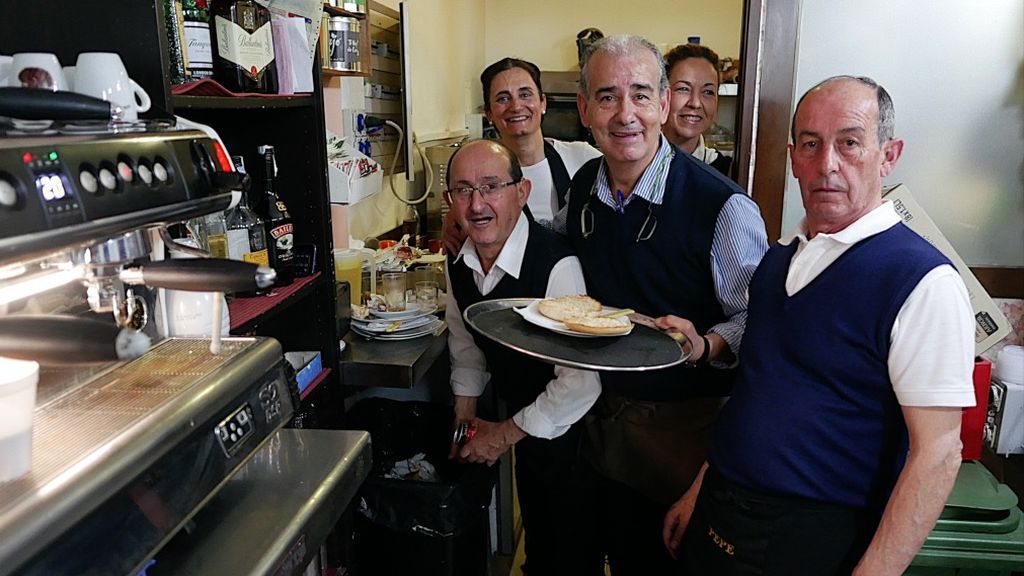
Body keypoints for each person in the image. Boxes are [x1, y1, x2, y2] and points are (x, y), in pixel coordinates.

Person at [663, 76, 975, 576]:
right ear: (792, 158)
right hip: (722, 515)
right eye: (811, 144)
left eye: (849, 143)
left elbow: (939, 452)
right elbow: (756, 393)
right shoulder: (779, 259)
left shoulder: (923, 281)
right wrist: (701, 490)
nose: (827, 164)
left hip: (815, 539)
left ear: (888, 155)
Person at [555, 35, 769, 574]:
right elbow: (554, 246)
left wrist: (708, 343)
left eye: (641, 95)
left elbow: (759, 324)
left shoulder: (722, 206)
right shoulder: (584, 187)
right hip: (602, 429)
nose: (625, 114)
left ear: (664, 105)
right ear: (584, 110)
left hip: (686, 443)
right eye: (607, 97)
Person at [444, 139, 604, 576]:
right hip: (527, 430)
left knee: (571, 553)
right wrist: (465, 416)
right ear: (449, 202)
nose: (477, 204)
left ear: (522, 191)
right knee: (539, 545)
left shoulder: (556, 264)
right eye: (463, 190)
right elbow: (465, 345)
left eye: (492, 186)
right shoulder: (458, 263)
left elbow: (581, 383)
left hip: (575, 439)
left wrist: (500, 436)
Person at [443, 58, 601, 254]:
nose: (516, 106)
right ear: (489, 113)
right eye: (502, 98)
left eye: (525, 94)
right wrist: (457, 215)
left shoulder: (584, 158)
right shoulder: (482, 173)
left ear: (542, 103)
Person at [662, 43, 733, 176]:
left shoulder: (727, 171)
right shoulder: (634, 162)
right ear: (662, 95)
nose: (695, 103)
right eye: (683, 89)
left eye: (708, 92)